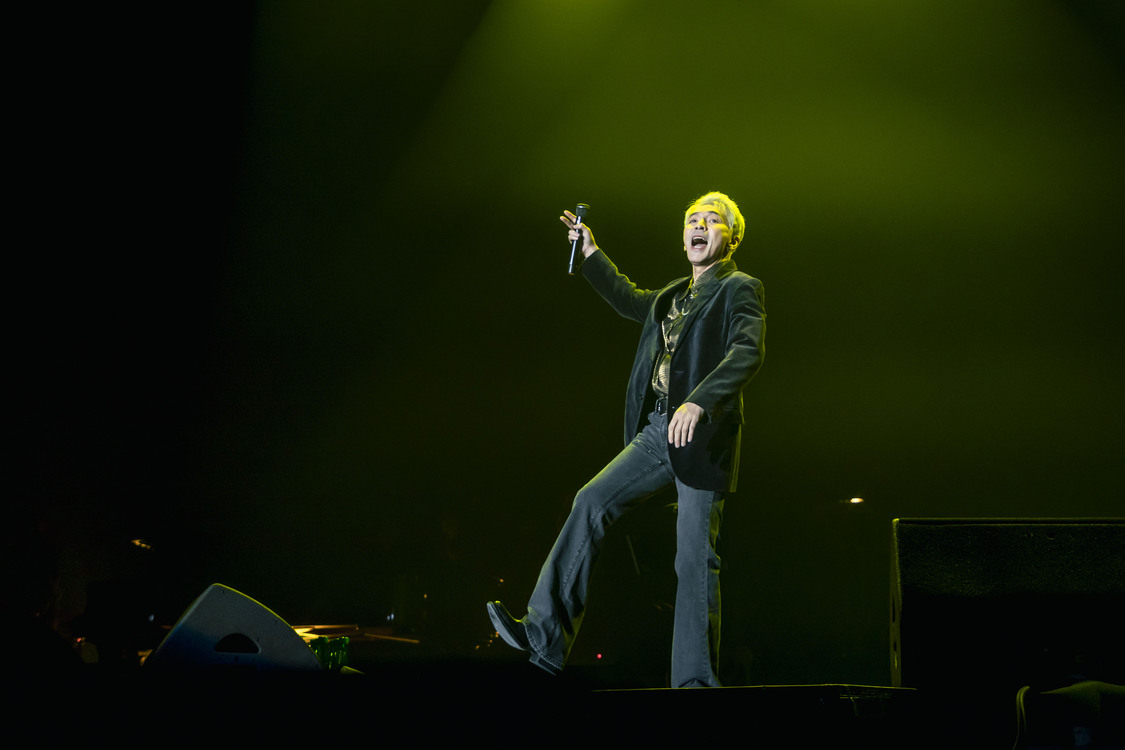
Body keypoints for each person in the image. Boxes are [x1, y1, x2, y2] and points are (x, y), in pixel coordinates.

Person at [487, 191, 765, 687]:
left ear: (733, 238)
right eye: (692, 220)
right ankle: (544, 634)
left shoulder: (739, 288)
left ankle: (695, 685)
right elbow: (625, 296)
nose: (699, 226)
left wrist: (700, 401)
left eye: (712, 220)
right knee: (590, 500)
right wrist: (591, 253)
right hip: (657, 432)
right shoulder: (670, 296)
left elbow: (747, 350)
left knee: (693, 559)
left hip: (702, 436)